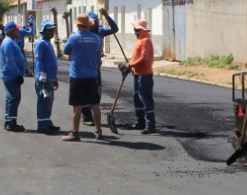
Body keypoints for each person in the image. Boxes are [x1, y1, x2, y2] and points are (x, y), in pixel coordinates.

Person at [61, 9, 117, 141]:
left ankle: (75, 132)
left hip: (77, 75)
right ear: (90, 24)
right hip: (92, 74)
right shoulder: (96, 39)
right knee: (95, 104)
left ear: (78, 25)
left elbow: (66, 51)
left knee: (76, 105)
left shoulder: (74, 37)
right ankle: (98, 130)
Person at [126, 18, 156, 133]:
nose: (134, 30)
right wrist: (130, 66)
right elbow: (135, 57)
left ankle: (150, 124)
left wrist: (129, 65)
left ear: (141, 29)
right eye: (135, 29)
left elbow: (143, 59)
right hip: (137, 74)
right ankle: (140, 121)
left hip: (145, 75)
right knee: (136, 98)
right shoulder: (140, 40)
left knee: (145, 99)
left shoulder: (145, 41)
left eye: (136, 29)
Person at [33, 19, 60, 134]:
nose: (52, 32)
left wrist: (55, 79)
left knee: (49, 101)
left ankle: (47, 122)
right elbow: (38, 60)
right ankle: (42, 125)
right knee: (44, 100)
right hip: (44, 78)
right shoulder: (41, 43)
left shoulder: (48, 43)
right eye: (49, 30)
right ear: (43, 31)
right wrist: (41, 75)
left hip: (50, 78)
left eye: (53, 30)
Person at [0, 21, 27, 132]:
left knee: (11, 98)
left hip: (11, 75)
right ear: (11, 31)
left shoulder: (10, 41)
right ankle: (11, 123)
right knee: (13, 98)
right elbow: (10, 61)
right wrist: (17, 75)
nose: (18, 31)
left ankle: (9, 120)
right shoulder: (8, 43)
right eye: (16, 29)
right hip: (11, 76)